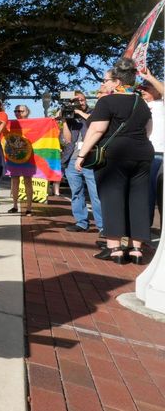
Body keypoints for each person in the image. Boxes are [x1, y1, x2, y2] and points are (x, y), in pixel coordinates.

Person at [75, 57, 153, 265]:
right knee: (138, 199)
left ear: (117, 82)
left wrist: (82, 155)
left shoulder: (107, 101)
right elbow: (148, 130)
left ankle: (115, 249)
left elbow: (96, 130)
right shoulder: (141, 102)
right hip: (142, 152)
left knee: (112, 197)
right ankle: (136, 250)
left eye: (107, 80)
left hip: (115, 154)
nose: (104, 84)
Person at [61, 91, 104, 234]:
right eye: (76, 101)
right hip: (72, 160)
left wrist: (79, 111)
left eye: (82, 100)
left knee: (96, 193)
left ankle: (102, 226)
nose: (80, 102)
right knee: (76, 193)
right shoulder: (70, 116)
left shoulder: (95, 112)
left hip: (90, 159)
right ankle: (81, 222)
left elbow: (94, 124)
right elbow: (67, 140)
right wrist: (65, 120)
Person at [138, 68, 164, 228]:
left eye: (146, 89)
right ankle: (144, 232)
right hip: (145, 154)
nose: (143, 92)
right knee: (145, 195)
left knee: (161, 197)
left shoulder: (161, 104)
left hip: (160, 154)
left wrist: (150, 77)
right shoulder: (140, 105)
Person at [8, 104, 34, 216]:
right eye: (16, 111)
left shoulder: (33, 124)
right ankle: (14, 205)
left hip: (28, 156)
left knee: (28, 181)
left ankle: (29, 208)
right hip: (14, 156)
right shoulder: (11, 124)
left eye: (20, 111)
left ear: (27, 112)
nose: (17, 113)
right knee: (14, 181)